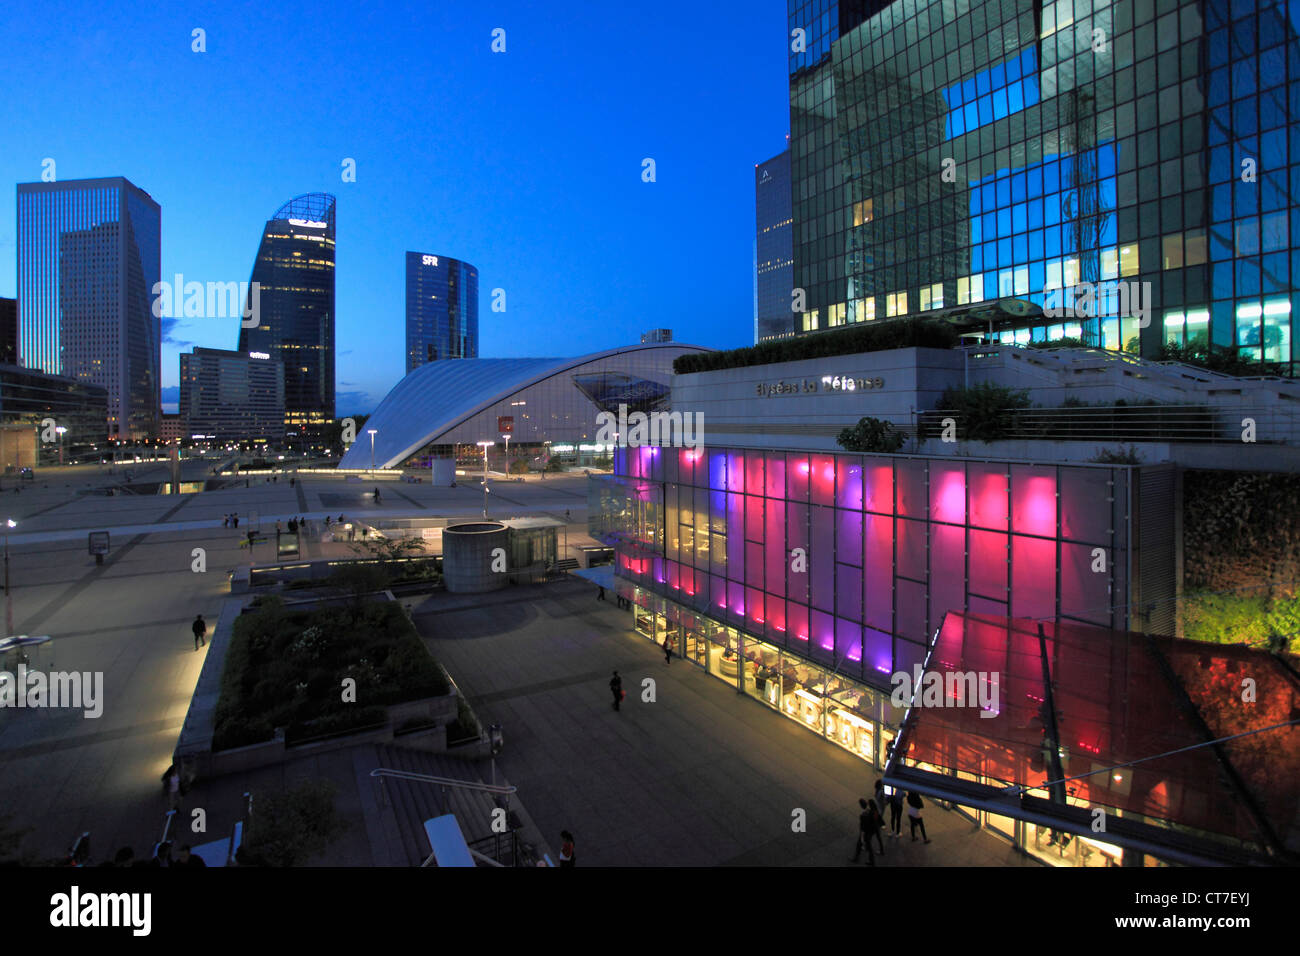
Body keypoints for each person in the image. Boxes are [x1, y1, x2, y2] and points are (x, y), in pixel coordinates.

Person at [850, 798, 875, 865]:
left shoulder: (863, 815)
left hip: (865, 833)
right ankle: (871, 861)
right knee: (868, 847)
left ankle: (856, 858)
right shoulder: (870, 811)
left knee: (861, 845)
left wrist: (861, 836)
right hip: (870, 831)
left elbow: (862, 827)